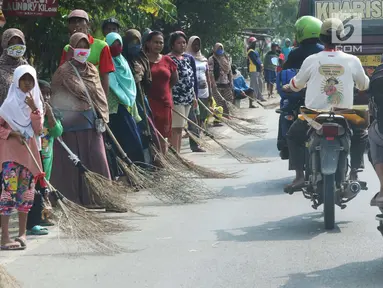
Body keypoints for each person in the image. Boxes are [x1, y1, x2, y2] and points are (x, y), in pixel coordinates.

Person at [282, 18, 369, 193]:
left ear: (322, 38)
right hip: (344, 114)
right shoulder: (352, 60)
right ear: (342, 38)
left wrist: (288, 86)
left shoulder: (311, 60)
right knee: (361, 133)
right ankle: (353, 173)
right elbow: (364, 85)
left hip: (313, 115)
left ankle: (299, 177)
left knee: (292, 136)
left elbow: (296, 84)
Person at [51, 33, 111, 208]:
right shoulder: (63, 71)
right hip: (71, 124)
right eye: (79, 47)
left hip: (91, 122)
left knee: (96, 158)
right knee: (73, 163)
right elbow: (55, 94)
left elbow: (98, 94)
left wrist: (102, 116)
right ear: (71, 49)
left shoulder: (92, 69)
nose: (83, 51)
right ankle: (73, 200)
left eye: (86, 47)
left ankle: (101, 197)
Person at [0, 65, 44, 250]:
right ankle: (5, 237)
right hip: (10, 156)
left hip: (28, 156)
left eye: (31, 80)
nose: (28, 83)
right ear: (17, 81)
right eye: (24, 79)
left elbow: (38, 130)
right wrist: (11, 134)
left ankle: (22, 233)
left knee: (26, 195)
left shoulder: (36, 104)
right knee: (7, 196)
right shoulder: (7, 105)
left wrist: (34, 109)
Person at [26, 80, 63, 235]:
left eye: (48, 94)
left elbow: (57, 132)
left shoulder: (52, 113)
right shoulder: (28, 112)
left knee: (44, 187)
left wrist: (50, 115)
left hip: (47, 157)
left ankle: (43, 215)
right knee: (33, 188)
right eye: (43, 93)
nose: (46, 97)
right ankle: (32, 218)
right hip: (32, 156)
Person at [105, 32, 145, 163]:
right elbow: (109, 84)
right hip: (114, 108)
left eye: (119, 44)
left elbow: (130, 83)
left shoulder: (123, 62)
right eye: (113, 44)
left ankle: (139, 168)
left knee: (134, 139)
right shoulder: (106, 62)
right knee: (121, 142)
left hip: (128, 105)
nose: (116, 47)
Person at [123, 29, 160, 163]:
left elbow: (148, 80)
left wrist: (141, 75)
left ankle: (151, 161)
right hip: (128, 101)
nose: (134, 45)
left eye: (137, 42)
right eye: (131, 42)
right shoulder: (121, 59)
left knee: (147, 130)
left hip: (141, 98)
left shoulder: (142, 57)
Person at [59, 9, 115, 96]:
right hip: (72, 97)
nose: (77, 25)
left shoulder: (102, 46)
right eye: (73, 22)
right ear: (69, 26)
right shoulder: (67, 48)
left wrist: (103, 103)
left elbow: (105, 77)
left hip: (94, 95)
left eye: (80, 21)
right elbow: (62, 75)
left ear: (88, 25)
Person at [145, 30, 178, 154]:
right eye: (155, 42)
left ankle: (163, 164)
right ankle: (153, 163)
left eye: (161, 43)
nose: (158, 45)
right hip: (148, 103)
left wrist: (166, 90)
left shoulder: (167, 60)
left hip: (164, 103)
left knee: (162, 136)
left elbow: (174, 79)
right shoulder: (143, 60)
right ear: (148, 43)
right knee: (150, 134)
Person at [167, 31, 198, 153]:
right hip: (176, 97)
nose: (182, 45)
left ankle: (177, 153)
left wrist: (194, 96)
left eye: (184, 42)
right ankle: (175, 154)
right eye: (179, 43)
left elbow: (191, 79)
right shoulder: (169, 59)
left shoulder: (188, 58)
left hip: (188, 97)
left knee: (180, 127)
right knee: (176, 128)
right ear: (173, 44)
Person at [186, 36, 212, 127]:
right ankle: (195, 129)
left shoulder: (204, 59)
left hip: (204, 90)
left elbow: (207, 76)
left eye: (198, 45)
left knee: (203, 112)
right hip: (193, 91)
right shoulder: (186, 58)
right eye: (194, 45)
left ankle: (200, 128)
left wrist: (210, 93)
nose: (196, 46)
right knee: (194, 113)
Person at [0, 28, 28, 105]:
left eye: (20, 43)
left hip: (24, 114)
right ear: (5, 44)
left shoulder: (27, 68)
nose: (17, 47)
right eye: (12, 44)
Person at [208, 43, 234, 115]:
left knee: (229, 99)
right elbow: (210, 72)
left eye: (221, 49)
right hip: (217, 83)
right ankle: (219, 117)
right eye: (218, 49)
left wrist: (231, 81)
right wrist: (213, 83)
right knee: (219, 101)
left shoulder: (225, 58)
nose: (220, 50)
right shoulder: (211, 59)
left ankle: (227, 114)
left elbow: (229, 71)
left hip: (226, 82)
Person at [247, 37, 265, 103]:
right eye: (253, 43)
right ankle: (255, 97)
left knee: (259, 82)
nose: (255, 44)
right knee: (255, 84)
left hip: (257, 69)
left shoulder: (255, 51)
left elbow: (258, 59)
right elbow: (254, 60)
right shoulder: (250, 51)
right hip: (253, 69)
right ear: (250, 43)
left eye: (255, 42)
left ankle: (258, 96)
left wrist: (261, 64)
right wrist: (260, 65)